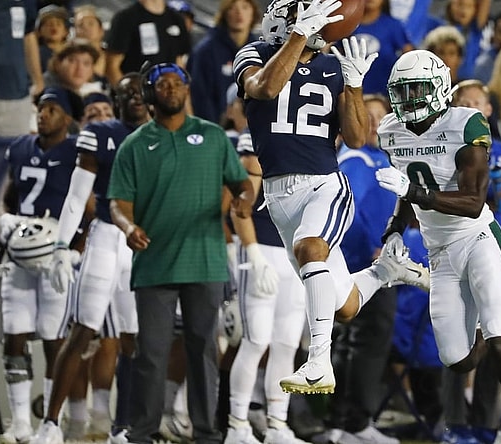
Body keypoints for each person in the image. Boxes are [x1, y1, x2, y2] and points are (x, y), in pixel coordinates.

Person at [232, 0, 429, 397]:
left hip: (324, 183)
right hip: (278, 192)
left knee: (310, 249)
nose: (289, 17)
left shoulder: (333, 67)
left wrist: (354, 85)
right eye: (293, 13)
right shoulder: (254, 53)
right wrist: (299, 36)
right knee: (344, 305)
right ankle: (387, 273)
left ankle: (318, 362)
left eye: (296, 12)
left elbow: (356, 137)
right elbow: (265, 88)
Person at [375, 49, 501, 444]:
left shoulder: (466, 123)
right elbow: (404, 187)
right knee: (458, 360)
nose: (411, 99)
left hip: (478, 238)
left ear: (440, 87)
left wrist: (413, 192)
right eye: (404, 91)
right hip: (439, 250)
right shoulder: (391, 130)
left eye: (418, 89)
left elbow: (473, 202)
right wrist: (395, 228)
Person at [106, 62, 254, 443]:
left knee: (204, 351)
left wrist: (242, 201)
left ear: (187, 90)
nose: (170, 88)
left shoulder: (213, 136)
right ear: (150, 93)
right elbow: (118, 203)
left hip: (205, 259)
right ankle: (142, 432)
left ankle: (206, 433)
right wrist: (128, 227)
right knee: (151, 353)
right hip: (153, 261)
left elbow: (241, 184)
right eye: (162, 84)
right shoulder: (134, 145)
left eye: (177, 83)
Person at [31, 74, 151, 444]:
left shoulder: (164, 135)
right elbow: (75, 194)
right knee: (83, 328)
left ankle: (124, 426)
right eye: (125, 93)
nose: (133, 98)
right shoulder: (100, 133)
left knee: (134, 337)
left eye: (138, 92)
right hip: (105, 237)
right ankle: (51, 423)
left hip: (144, 241)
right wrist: (61, 247)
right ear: (114, 99)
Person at [0, 86, 83, 444]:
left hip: (56, 257)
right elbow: (10, 192)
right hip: (20, 254)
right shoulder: (20, 147)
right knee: (14, 335)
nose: (43, 114)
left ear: (68, 117)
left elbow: (90, 207)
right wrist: (4, 217)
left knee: (53, 337)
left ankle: (52, 421)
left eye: (51, 109)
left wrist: (75, 249)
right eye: (40, 108)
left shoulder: (78, 151)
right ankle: (19, 423)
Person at [316, 94, 401, 444]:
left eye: (381, 117)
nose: (374, 123)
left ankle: (348, 421)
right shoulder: (356, 157)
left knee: (361, 340)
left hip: (375, 262)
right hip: (362, 264)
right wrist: (373, 249)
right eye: (367, 116)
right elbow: (352, 210)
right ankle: (351, 422)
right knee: (363, 339)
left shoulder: (383, 159)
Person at [224, 134, 310, 444]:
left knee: (287, 344)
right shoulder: (258, 137)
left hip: (295, 254)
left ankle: (277, 425)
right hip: (261, 249)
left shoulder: (318, 143)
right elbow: (241, 205)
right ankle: (237, 425)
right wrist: (253, 254)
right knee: (255, 341)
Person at [0, 0, 44, 137]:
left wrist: (38, 78)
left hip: (19, 95)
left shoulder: (27, 2)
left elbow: (28, 35)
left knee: (15, 154)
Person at [186, 0, 260, 123]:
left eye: (245, 7)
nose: (239, 13)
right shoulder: (205, 51)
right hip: (215, 128)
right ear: (225, 13)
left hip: (251, 129)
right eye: (232, 8)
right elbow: (199, 95)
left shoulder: (259, 51)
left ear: (253, 13)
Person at [104, 0, 191, 85]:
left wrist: (182, 93)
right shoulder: (126, 18)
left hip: (167, 94)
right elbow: (112, 66)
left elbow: (179, 61)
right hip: (137, 94)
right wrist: (129, 94)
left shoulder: (177, 19)